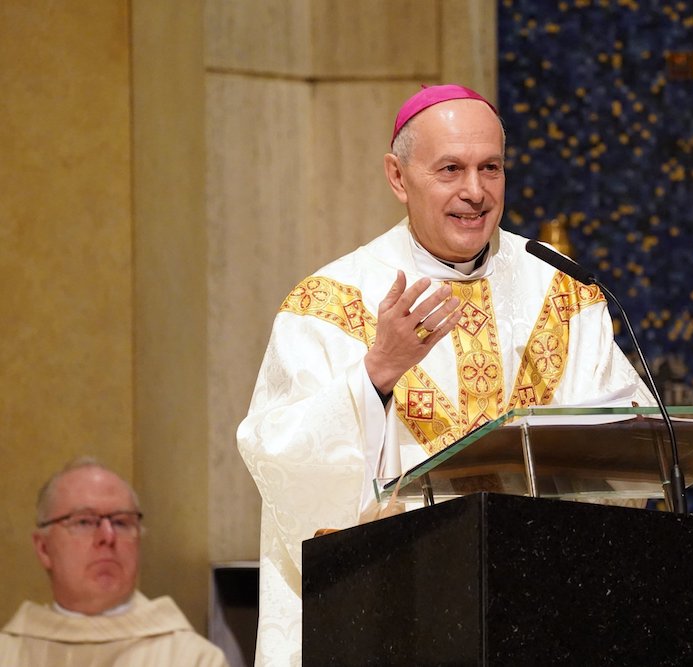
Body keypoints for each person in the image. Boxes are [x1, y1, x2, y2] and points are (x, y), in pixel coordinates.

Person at [236, 83, 655, 666]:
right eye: (451, 169)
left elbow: (626, 450)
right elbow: (280, 461)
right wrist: (376, 375)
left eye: (491, 168)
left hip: (541, 612)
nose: (475, 192)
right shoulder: (329, 302)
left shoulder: (560, 290)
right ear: (398, 177)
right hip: (394, 615)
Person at [0, 457, 228, 666]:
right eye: (84, 522)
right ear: (43, 548)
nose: (107, 537)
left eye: (121, 523)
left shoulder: (192, 659)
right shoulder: (7, 654)